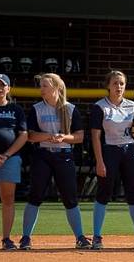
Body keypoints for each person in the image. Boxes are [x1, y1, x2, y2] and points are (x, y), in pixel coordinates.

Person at [21, 73, 90, 250]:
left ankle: (80, 237)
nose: (41, 89)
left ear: (56, 88)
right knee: (35, 195)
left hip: (63, 155)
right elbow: (30, 136)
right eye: (41, 85)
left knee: (70, 198)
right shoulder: (37, 108)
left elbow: (79, 136)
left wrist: (63, 137)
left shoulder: (70, 108)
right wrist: (49, 136)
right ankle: (26, 238)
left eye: (45, 85)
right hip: (43, 154)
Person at [88, 70, 134, 250]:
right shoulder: (100, 107)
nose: (119, 87)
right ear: (108, 86)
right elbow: (94, 136)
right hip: (109, 151)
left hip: (129, 151)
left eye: (122, 83)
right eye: (115, 83)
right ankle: (97, 236)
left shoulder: (132, 106)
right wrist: (99, 161)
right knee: (104, 193)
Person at [0, 73, 28, 250]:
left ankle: (6, 239)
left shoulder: (16, 110)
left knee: (8, 197)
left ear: (8, 88)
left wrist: (6, 155)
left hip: (10, 158)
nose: (0, 88)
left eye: (3, 85)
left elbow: (23, 135)